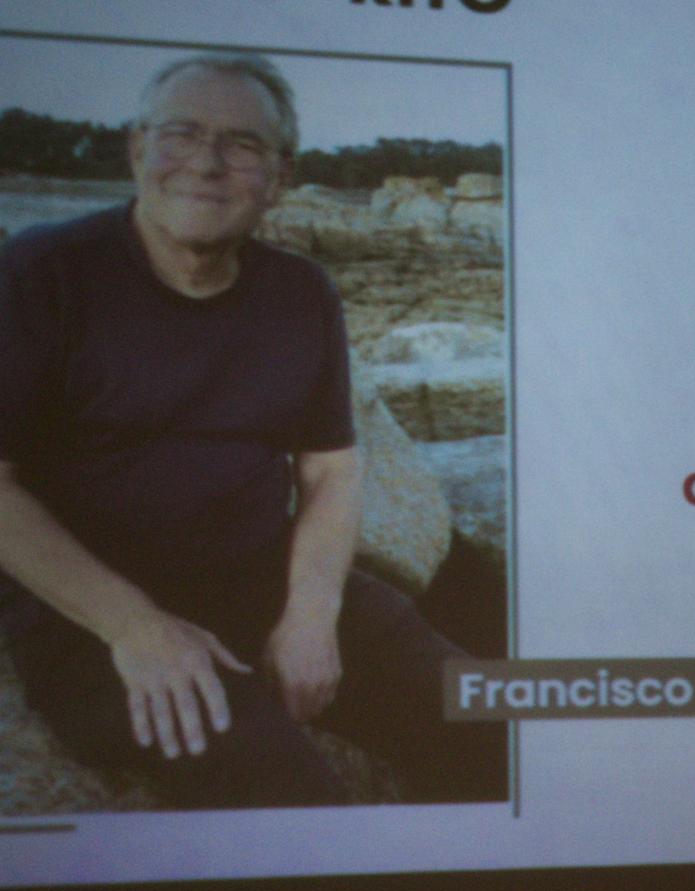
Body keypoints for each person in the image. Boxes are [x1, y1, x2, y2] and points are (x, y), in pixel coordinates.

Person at [0, 52, 504, 809]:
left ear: (281, 175)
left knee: (496, 726)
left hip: (262, 579)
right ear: (138, 149)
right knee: (294, 799)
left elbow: (331, 470)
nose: (206, 163)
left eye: (242, 144)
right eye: (180, 134)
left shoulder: (301, 293)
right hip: (96, 627)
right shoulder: (42, 276)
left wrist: (312, 614)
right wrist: (136, 627)